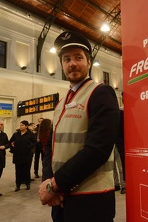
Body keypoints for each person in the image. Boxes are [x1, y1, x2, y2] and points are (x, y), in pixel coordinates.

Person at [38, 30, 120, 222]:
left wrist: (54, 185)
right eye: (66, 59)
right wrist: (47, 181)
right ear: (62, 65)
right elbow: (51, 146)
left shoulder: (101, 93)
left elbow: (97, 150)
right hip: (61, 200)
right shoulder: (61, 104)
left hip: (91, 202)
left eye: (78, 57)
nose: (72, 63)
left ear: (89, 62)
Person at [10, 120, 37, 191]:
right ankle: (17, 185)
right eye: (20, 125)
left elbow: (34, 142)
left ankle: (27, 183)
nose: (21, 126)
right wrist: (13, 148)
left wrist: (29, 147)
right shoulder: (16, 134)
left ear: (26, 126)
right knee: (18, 170)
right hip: (17, 155)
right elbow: (10, 142)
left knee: (26, 170)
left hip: (26, 155)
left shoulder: (30, 134)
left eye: (22, 125)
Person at [115, 93, 125, 194]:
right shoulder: (119, 112)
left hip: (117, 141)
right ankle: (118, 183)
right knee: (116, 164)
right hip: (113, 142)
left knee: (120, 163)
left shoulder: (120, 112)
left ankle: (122, 183)